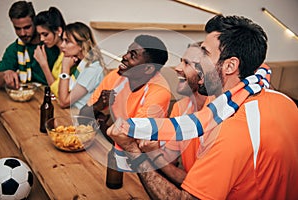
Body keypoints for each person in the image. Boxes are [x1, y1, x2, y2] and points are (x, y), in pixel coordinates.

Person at [107, 15, 298, 199]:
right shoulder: (284, 101)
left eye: (204, 55)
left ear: (230, 66)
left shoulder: (232, 130)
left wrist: (133, 151)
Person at [79, 34, 171, 170]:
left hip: (143, 162)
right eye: (128, 51)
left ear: (148, 69)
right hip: (112, 148)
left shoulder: (159, 92)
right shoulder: (116, 76)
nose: (125, 56)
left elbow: (132, 142)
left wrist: (104, 125)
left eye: (133, 56)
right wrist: (98, 106)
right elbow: (83, 117)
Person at [139, 42, 212, 185]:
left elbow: (202, 187)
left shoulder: (222, 114)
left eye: (187, 63)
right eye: (180, 62)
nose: (177, 68)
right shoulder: (181, 107)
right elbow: (169, 161)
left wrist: (154, 155)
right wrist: (151, 149)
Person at [0, 1, 59, 88]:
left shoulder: (51, 44)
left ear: (34, 22)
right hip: (28, 96)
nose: (22, 33)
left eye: (27, 27)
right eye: (17, 28)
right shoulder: (15, 49)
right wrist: (4, 74)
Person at [58, 22, 107, 110]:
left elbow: (64, 102)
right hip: (72, 112)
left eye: (67, 41)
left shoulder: (92, 69)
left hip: (82, 118)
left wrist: (65, 69)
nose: (62, 45)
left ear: (81, 46)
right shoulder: (80, 63)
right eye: (63, 40)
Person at [33, 7, 66, 97]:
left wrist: (43, 64)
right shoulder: (59, 52)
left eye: (45, 34)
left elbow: (59, 92)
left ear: (59, 31)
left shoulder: (68, 54)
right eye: (39, 35)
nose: (42, 39)